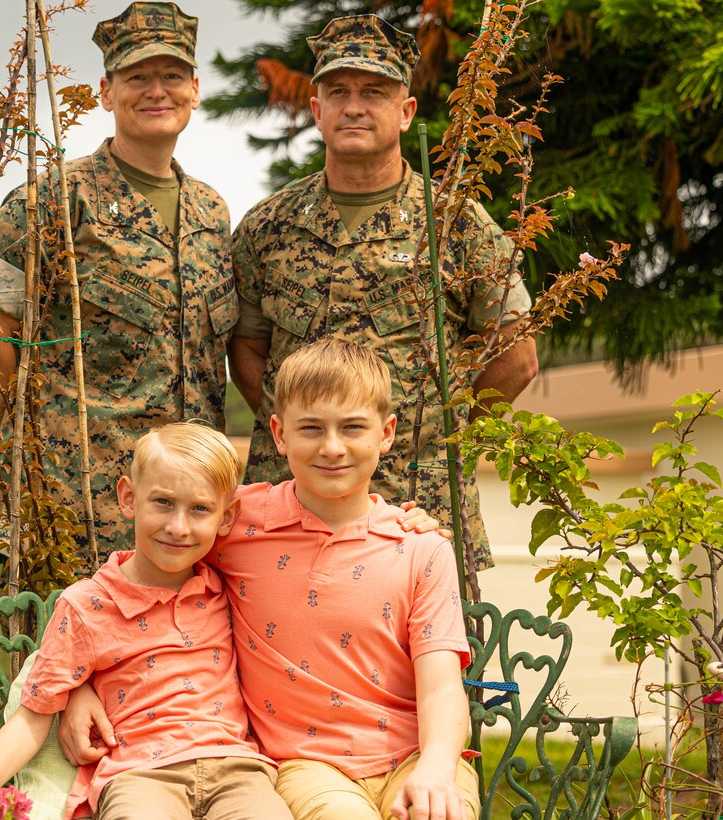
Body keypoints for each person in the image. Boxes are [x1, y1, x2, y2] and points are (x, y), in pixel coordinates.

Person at [61, 338, 480, 820]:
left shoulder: (421, 548)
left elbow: (442, 687)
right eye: (311, 429)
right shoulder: (232, 521)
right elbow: (131, 586)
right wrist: (78, 684)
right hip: (308, 764)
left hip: (418, 757)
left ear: (385, 433)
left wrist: (437, 764)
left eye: (352, 428)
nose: (332, 447)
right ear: (279, 434)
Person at [226, 14, 539, 571]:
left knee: (430, 654)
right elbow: (247, 349)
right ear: (317, 110)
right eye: (338, 92)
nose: (354, 107)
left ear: (406, 111)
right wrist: (302, 439)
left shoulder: (455, 223)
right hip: (289, 509)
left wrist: (433, 435)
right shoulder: (266, 227)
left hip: (417, 508)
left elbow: (515, 356)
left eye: (374, 92)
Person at [0, 2, 238, 574]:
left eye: (172, 76)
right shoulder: (52, 202)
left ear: (195, 89)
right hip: (82, 510)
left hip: (191, 518)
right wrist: (23, 470)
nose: (156, 91)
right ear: (106, 92)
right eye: (137, 77)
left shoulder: (212, 213)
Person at [0, 422, 295, 820]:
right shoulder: (87, 606)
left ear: (227, 517)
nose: (178, 527)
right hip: (140, 775)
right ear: (128, 498)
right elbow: (34, 713)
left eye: (200, 509)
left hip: (237, 770)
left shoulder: (227, 588)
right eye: (163, 503)